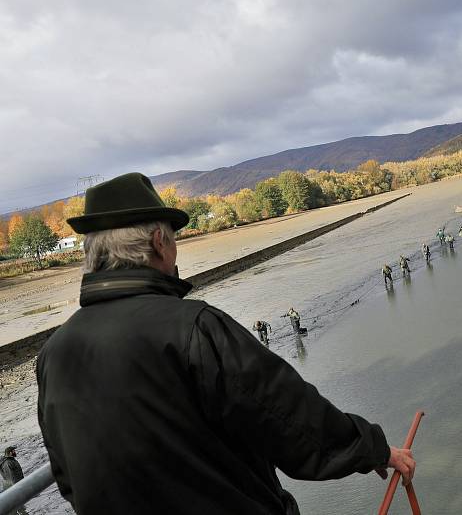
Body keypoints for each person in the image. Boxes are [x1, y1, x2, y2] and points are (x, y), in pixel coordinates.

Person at [36, 173, 415, 515]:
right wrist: (374, 450)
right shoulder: (194, 328)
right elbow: (291, 420)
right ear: (158, 243)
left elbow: (67, 476)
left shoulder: (53, 354)